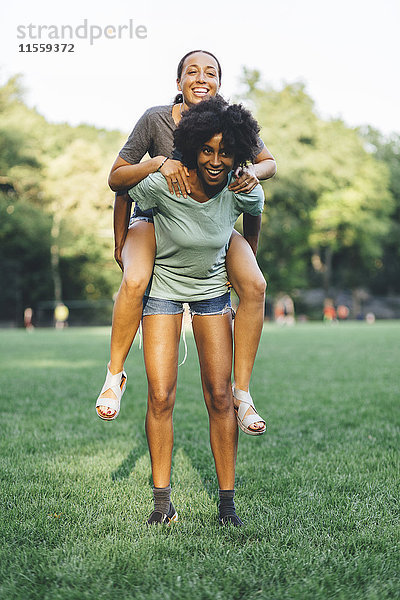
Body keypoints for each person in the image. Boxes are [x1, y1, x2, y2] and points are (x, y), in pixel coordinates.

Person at [96, 50, 276, 433]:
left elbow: (268, 165)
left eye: (210, 72)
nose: (201, 77)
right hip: (158, 218)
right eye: (191, 71)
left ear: (219, 84)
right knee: (135, 280)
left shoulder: (229, 121)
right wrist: (157, 163)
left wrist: (250, 171)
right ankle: (114, 376)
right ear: (177, 82)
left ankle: (242, 393)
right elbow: (119, 181)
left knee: (256, 284)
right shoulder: (156, 119)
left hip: (213, 223)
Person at [128, 97, 266, 525]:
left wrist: (242, 259)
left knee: (221, 395)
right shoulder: (166, 181)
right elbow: (122, 190)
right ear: (191, 148)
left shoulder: (241, 186)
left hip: (211, 294)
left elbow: (255, 212)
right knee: (160, 394)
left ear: (238, 154)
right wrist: (123, 246)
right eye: (207, 150)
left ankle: (227, 507)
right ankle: (161, 504)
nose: (215, 160)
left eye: (225, 152)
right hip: (164, 290)